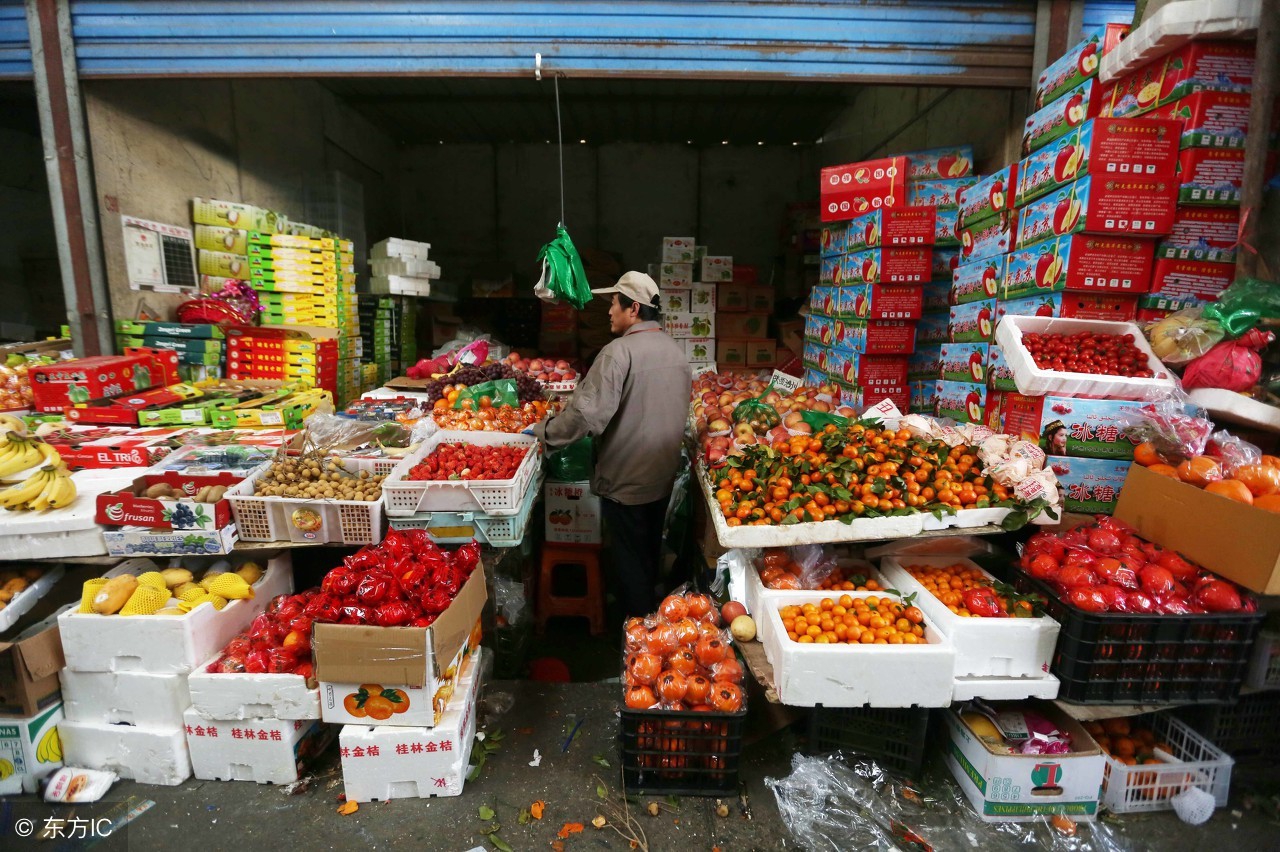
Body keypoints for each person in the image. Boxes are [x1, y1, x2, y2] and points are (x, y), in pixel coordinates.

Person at [535, 271, 692, 618]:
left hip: (626, 481)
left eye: (613, 304)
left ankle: (638, 643)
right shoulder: (675, 352)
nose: (608, 312)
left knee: (629, 566)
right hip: (661, 477)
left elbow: (584, 416)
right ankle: (653, 624)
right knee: (648, 555)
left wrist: (545, 433)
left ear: (633, 308)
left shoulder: (618, 353)